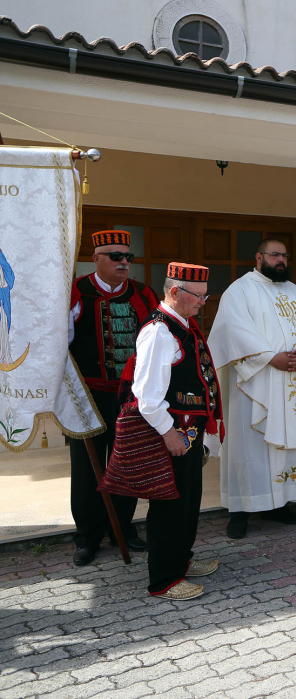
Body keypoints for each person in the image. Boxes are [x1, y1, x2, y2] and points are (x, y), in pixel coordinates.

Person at [207, 239, 296, 539]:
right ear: (259, 257)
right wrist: (269, 357)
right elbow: (233, 330)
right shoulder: (240, 290)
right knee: (249, 447)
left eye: (285, 255)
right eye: (275, 255)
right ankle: (239, 510)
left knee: (287, 447)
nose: (281, 260)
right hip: (256, 383)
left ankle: (280, 503)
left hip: (294, 380)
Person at [130, 263, 222, 600]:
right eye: (198, 296)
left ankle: (181, 560)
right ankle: (164, 579)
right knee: (169, 505)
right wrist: (169, 433)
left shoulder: (184, 326)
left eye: (204, 295)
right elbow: (147, 395)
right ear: (174, 292)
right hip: (170, 434)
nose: (203, 302)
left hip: (187, 434)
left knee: (188, 501)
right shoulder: (159, 332)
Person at [67, 230, 157, 565]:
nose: (123, 263)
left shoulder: (143, 294)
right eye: (115, 256)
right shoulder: (76, 292)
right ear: (97, 259)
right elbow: (60, 344)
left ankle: (123, 529)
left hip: (129, 398)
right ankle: (87, 537)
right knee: (87, 468)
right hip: (87, 398)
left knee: (126, 464)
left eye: (128, 257)